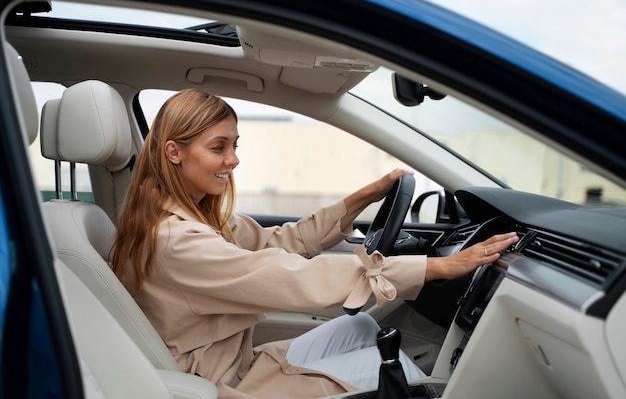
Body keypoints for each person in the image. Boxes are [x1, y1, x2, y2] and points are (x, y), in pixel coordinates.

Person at [110, 89, 518, 399]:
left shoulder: (192, 216)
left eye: (235, 145)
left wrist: (365, 196)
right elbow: (288, 277)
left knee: (362, 325)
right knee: (402, 375)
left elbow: (280, 241)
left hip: (238, 363)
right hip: (224, 385)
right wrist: (438, 267)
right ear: (174, 152)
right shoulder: (177, 239)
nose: (233, 160)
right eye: (219, 147)